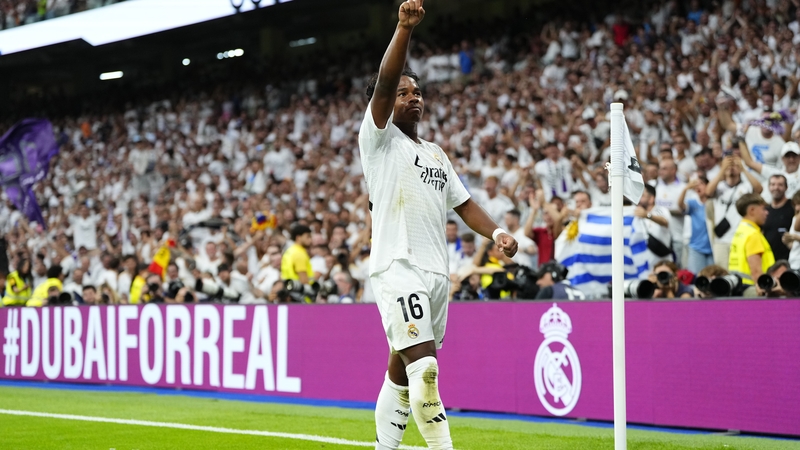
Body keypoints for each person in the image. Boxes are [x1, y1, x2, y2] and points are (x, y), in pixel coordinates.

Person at [358, 2, 518, 448]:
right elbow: (386, 82)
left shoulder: (436, 153)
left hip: (435, 273)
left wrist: (497, 233)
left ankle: (383, 447)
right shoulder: (378, 140)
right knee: (425, 368)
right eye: (406, 93)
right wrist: (404, 29)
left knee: (403, 369)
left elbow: (464, 205)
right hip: (398, 265)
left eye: (419, 93)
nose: (414, 98)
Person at [728, 193, 775, 294]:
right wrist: (764, 288)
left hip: (738, 287)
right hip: (753, 289)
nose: (766, 213)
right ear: (752, 210)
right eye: (763, 209)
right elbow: (756, 271)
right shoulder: (753, 234)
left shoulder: (741, 231)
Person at [678, 177, 714, 274]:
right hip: (696, 247)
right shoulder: (693, 203)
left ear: (708, 185)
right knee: (696, 278)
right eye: (695, 184)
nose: (697, 186)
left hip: (713, 247)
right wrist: (686, 189)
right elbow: (680, 205)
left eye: (701, 183)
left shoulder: (714, 202)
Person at [762, 175, 794, 261]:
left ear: (786, 187)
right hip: (768, 259)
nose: (776, 187)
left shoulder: (793, 207)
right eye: (773, 184)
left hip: (789, 259)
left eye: (780, 185)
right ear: (768, 187)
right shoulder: (765, 210)